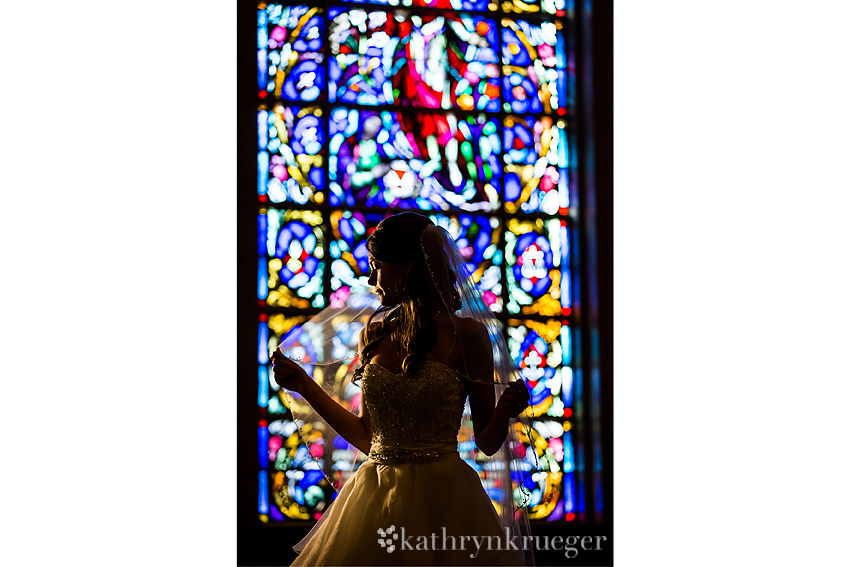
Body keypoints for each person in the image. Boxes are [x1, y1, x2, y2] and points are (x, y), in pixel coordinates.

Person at [272, 212, 533, 566]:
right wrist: (304, 385)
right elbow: (368, 438)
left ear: (407, 267)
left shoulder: (467, 336)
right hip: (375, 496)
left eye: (377, 265)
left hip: (445, 501)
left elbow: (487, 443)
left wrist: (504, 410)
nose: (370, 277)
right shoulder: (374, 333)